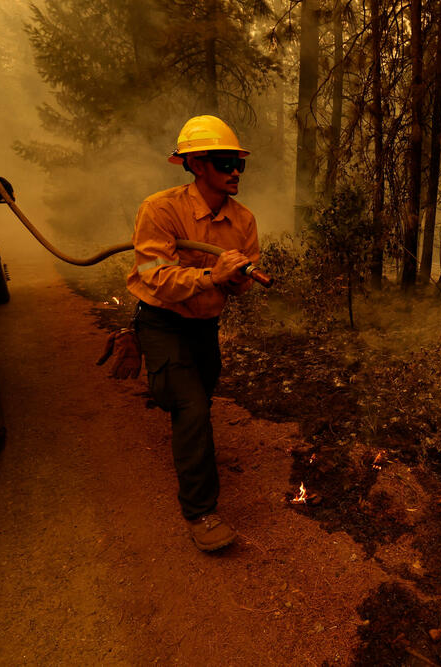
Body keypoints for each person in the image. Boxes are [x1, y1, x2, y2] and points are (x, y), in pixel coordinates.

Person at [126, 115, 260, 551]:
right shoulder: (160, 210)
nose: (235, 172)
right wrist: (212, 277)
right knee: (191, 406)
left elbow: (237, 285)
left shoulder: (243, 221)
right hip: (162, 322)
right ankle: (201, 512)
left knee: (198, 399)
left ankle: (185, 428)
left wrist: (237, 279)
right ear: (197, 165)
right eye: (225, 163)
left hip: (204, 328)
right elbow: (153, 276)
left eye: (239, 164)